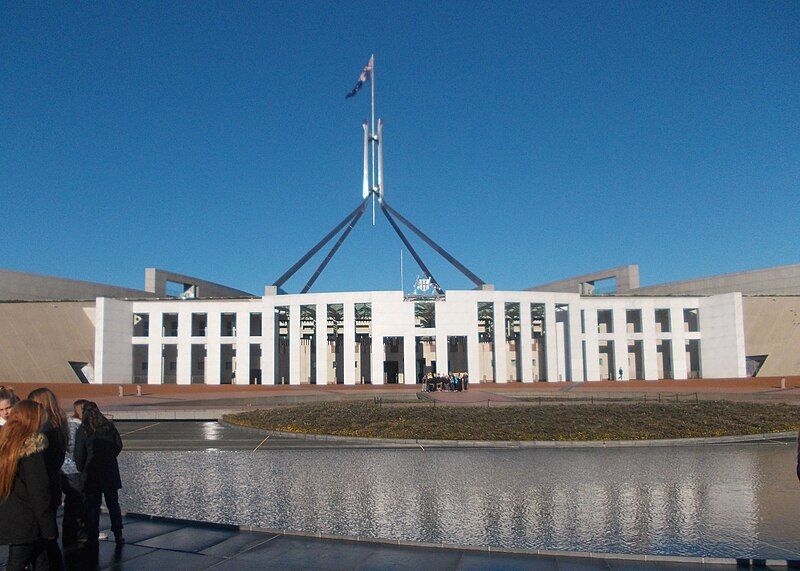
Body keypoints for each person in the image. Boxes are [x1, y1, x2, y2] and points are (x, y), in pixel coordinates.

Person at [0, 400, 59, 570]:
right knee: (18, 562)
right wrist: (48, 526)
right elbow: (39, 490)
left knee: (41, 559)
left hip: (11, 515)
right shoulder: (32, 445)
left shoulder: (7, 443)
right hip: (29, 520)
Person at [74, 402, 124, 544]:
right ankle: (118, 533)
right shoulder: (108, 426)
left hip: (92, 472)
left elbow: (79, 453)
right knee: (113, 504)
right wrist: (111, 457)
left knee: (93, 506)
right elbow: (119, 445)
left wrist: (81, 467)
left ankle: (92, 534)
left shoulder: (84, 429)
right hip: (110, 471)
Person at [60, 400, 88, 547]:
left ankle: (73, 533)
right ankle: (75, 534)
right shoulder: (75, 426)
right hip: (72, 469)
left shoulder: (71, 425)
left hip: (68, 469)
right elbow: (72, 448)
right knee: (75, 501)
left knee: (74, 502)